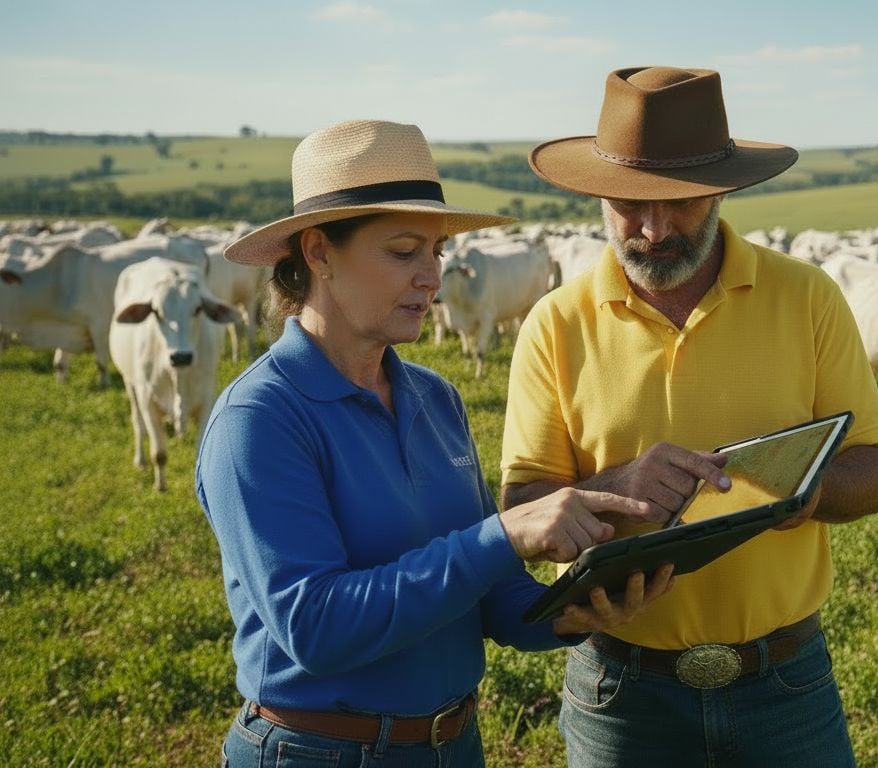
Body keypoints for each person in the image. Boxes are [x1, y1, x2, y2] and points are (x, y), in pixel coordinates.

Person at [196, 119, 674, 767]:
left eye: (437, 252)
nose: (433, 277)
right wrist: (503, 535)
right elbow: (317, 629)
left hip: (451, 746)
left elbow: (490, 595)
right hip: (319, 752)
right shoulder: (260, 418)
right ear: (318, 252)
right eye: (402, 252)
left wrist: (571, 610)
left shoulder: (434, 398)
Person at [500, 67, 878, 767]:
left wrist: (795, 494)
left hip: (784, 684)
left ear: (720, 188)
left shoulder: (808, 298)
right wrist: (621, 484)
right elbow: (523, 508)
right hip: (620, 692)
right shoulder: (553, 325)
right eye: (629, 205)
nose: (654, 230)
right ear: (597, 195)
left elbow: (875, 471)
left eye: (679, 203)